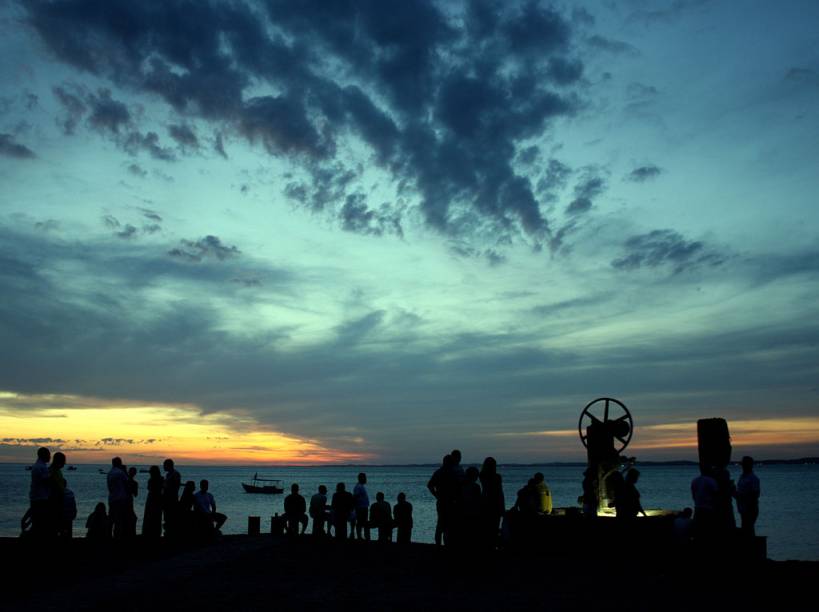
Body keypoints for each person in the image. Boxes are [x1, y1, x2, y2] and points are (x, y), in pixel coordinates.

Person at [427, 454, 457, 545]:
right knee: (447, 524)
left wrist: (436, 495)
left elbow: (430, 485)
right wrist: (436, 495)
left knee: (441, 523)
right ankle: (445, 543)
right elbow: (430, 485)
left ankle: (440, 543)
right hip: (448, 501)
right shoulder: (451, 473)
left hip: (442, 501)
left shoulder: (438, 472)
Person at [479, 457, 505, 549]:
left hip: (484, 501)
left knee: (485, 526)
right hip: (495, 502)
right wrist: (502, 506)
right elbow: (500, 492)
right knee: (494, 526)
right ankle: (492, 545)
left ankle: (485, 545)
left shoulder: (482, 475)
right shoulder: (497, 477)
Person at [735, 456, 761, 536]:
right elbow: (740, 493)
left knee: (748, 530)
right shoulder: (742, 477)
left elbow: (756, 494)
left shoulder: (753, 478)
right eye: (743, 464)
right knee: (747, 530)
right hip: (743, 508)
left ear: (750, 465)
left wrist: (747, 504)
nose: (743, 466)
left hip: (750, 508)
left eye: (745, 464)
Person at [29, 447, 52, 537]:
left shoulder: (39, 466)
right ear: (44, 455)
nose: (50, 457)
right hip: (40, 499)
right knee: (39, 523)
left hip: (38, 497)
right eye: (48, 455)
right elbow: (46, 481)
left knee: (38, 523)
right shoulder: (40, 467)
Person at [691, 466, 719, 539]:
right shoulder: (711, 481)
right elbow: (716, 495)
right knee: (708, 529)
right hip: (709, 508)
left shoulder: (695, 480)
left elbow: (693, 495)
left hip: (698, 507)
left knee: (698, 529)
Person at [107, 457, 130, 539]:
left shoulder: (110, 473)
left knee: (111, 518)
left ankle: (109, 535)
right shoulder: (121, 473)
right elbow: (127, 483)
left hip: (112, 498)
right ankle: (117, 536)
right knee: (119, 520)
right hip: (120, 499)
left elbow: (109, 487)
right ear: (120, 463)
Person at [48, 452, 67, 536]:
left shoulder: (57, 471)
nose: (65, 463)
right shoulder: (51, 471)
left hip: (59, 500)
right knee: (54, 526)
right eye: (63, 461)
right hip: (54, 501)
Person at [142, 465, 164, 538]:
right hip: (159, 498)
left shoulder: (151, 480)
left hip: (151, 498)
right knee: (157, 517)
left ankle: (148, 532)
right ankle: (156, 532)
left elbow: (149, 488)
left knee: (149, 516)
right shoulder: (161, 479)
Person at [162, 458, 181, 537]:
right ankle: (168, 533)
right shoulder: (168, 474)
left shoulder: (175, 474)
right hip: (167, 498)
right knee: (167, 517)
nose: (163, 467)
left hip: (172, 498)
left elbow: (176, 486)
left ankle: (171, 534)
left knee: (171, 517)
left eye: (164, 465)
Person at [352, 472, 371, 540]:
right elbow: (355, 497)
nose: (366, 479)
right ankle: (360, 536)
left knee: (363, 522)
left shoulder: (360, 486)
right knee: (360, 522)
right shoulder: (359, 487)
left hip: (363, 507)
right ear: (361, 478)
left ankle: (363, 536)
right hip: (360, 507)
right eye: (365, 478)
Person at [126, 466, 139, 537]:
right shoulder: (134, 483)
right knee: (132, 518)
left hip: (127, 500)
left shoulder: (124, 481)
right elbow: (136, 494)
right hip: (129, 500)